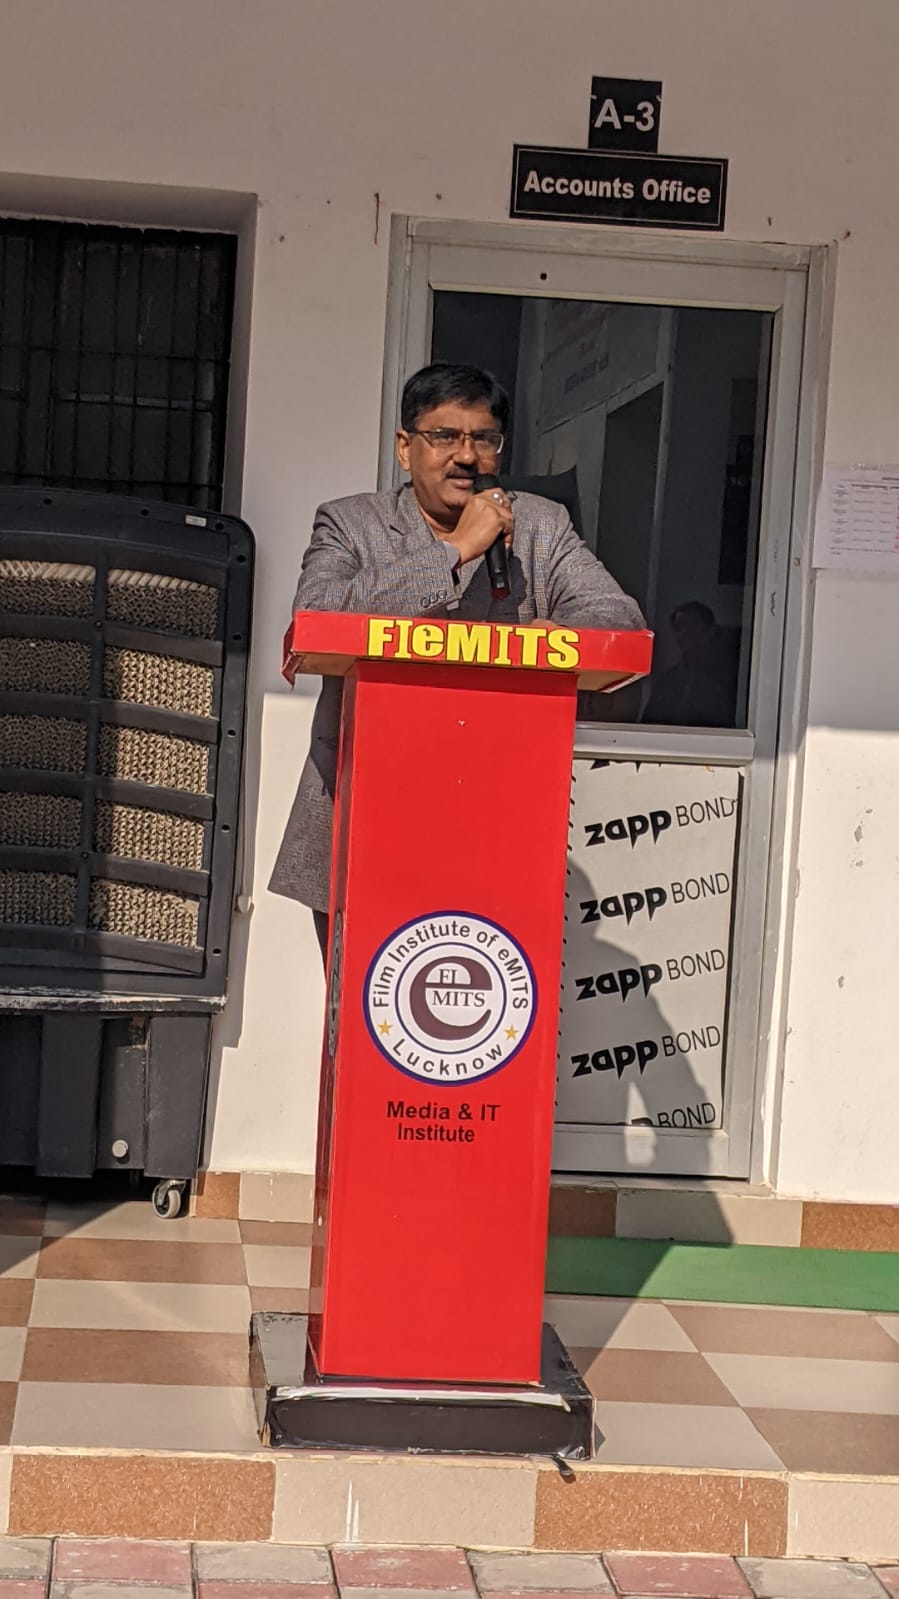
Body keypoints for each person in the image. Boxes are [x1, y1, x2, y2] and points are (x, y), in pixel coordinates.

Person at [269, 361, 644, 960]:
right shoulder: (351, 523)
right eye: (444, 436)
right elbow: (321, 617)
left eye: (483, 439)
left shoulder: (540, 525)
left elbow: (619, 618)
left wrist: (562, 638)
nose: (466, 456)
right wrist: (455, 549)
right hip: (365, 820)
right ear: (405, 447)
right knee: (372, 1004)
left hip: (499, 821)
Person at [642, 600, 738, 727]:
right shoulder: (668, 681)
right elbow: (648, 724)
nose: (684, 632)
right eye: (679, 627)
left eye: (692, 625)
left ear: (710, 629)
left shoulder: (731, 676)